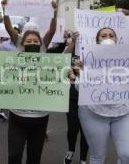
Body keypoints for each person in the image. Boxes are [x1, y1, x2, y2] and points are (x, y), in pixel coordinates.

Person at [1, 0, 57, 164]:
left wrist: (54, 12)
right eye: (28, 40)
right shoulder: (17, 46)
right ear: (21, 43)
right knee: (14, 156)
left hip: (40, 116)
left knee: (34, 158)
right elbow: (9, 28)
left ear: (41, 43)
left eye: (35, 40)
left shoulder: (43, 49)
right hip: (17, 115)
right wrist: (5, 9)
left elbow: (51, 31)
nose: (32, 42)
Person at [77, 27, 129, 164]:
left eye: (111, 35)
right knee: (97, 156)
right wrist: (79, 74)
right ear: (97, 41)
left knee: (127, 156)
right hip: (93, 112)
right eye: (103, 36)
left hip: (123, 112)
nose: (108, 38)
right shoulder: (87, 59)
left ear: (116, 40)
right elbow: (79, 88)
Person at [58, 32, 89, 164]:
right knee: (72, 128)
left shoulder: (95, 54)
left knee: (86, 131)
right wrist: (74, 41)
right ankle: (70, 151)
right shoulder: (73, 51)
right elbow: (63, 58)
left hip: (89, 99)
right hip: (72, 97)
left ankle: (83, 159)